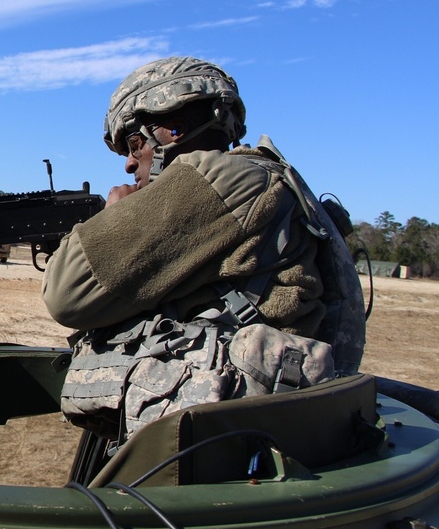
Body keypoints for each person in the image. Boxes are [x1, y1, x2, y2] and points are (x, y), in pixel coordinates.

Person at [42, 56, 365, 440]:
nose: (129, 164)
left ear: (174, 129)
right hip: (260, 426)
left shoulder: (217, 177)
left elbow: (65, 293)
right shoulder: (263, 175)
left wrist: (110, 219)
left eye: (134, 143)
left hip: (224, 439)